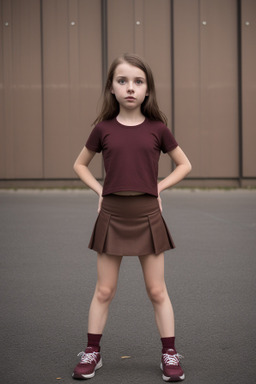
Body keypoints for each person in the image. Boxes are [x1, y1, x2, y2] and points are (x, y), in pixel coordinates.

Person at [72, 53, 192, 382]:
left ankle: (169, 353)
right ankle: (92, 352)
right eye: (122, 81)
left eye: (138, 82)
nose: (130, 88)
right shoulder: (103, 129)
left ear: (147, 90)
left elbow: (185, 165)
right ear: (111, 88)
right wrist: (101, 191)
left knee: (157, 291)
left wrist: (158, 188)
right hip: (112, 214)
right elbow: (79, 164)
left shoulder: (158, 128)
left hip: (147, 215)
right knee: (104, 291)